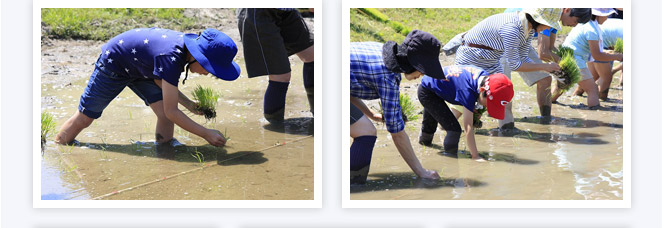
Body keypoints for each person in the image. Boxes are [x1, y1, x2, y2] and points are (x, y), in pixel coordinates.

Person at [55, 28, 239, 148]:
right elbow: (172, 111)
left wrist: (189, 104)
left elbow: (161, 83)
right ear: (198, 56)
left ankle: (165, 149)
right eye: (209, 68)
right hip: (115, 64)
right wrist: (206, 133)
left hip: (142, 68)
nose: (207, 73)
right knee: (86, 116)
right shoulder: (172, 58)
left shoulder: (182, 53)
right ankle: (60, 144)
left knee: (162, 114)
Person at [350, 30, 444, 184]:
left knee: (363, 126)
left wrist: (371, 114)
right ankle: (351, 185)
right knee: (366, 133)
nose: (422, 74)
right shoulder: (387, 77)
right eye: (423, 69)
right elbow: (397, 133)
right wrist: (422, 172)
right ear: (413, 62)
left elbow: (347, 86)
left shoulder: (381, 51)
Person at [454, 8, 565, 130]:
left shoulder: (528, 29)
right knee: (467, 99)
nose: (548, 29)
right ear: (537, 20)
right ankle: (448, 125)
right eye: (548, 25)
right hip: (472, 57)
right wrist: (545, 67)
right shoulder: (512, 29)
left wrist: (548, 70)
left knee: (503, 97)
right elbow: (515, 65)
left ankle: (507, 131)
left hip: (492, 59)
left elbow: (523, 58)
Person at [418, 65, 514, 161]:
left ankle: (424, 148)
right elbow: (468, 127)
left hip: (435, 84)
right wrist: (475, 156)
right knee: (454, 130)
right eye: (489, 104)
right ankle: (450, 161)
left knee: (430, 124)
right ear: (482, 91)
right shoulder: (467, 90)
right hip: (427, 92)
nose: (487, 107)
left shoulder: (486, 79)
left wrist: (475, 107)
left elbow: (475, 96)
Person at [236, 8, 314, 124]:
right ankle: (275, 125)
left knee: (313, 55)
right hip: (258, 11)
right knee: (281, 75)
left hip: (285, 10)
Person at [552, 8, 623, 107]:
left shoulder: (586, 24)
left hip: (566, 56)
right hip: (575, 59)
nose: (607, 18)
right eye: (606, 16)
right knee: (592, 89)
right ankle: (595, 114)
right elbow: (597, 55)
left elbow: (592, 50)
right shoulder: (592, 30)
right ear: (599, 15)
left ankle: (546, 108)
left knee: (562, 86)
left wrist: (610, 53)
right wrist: (618, 57)